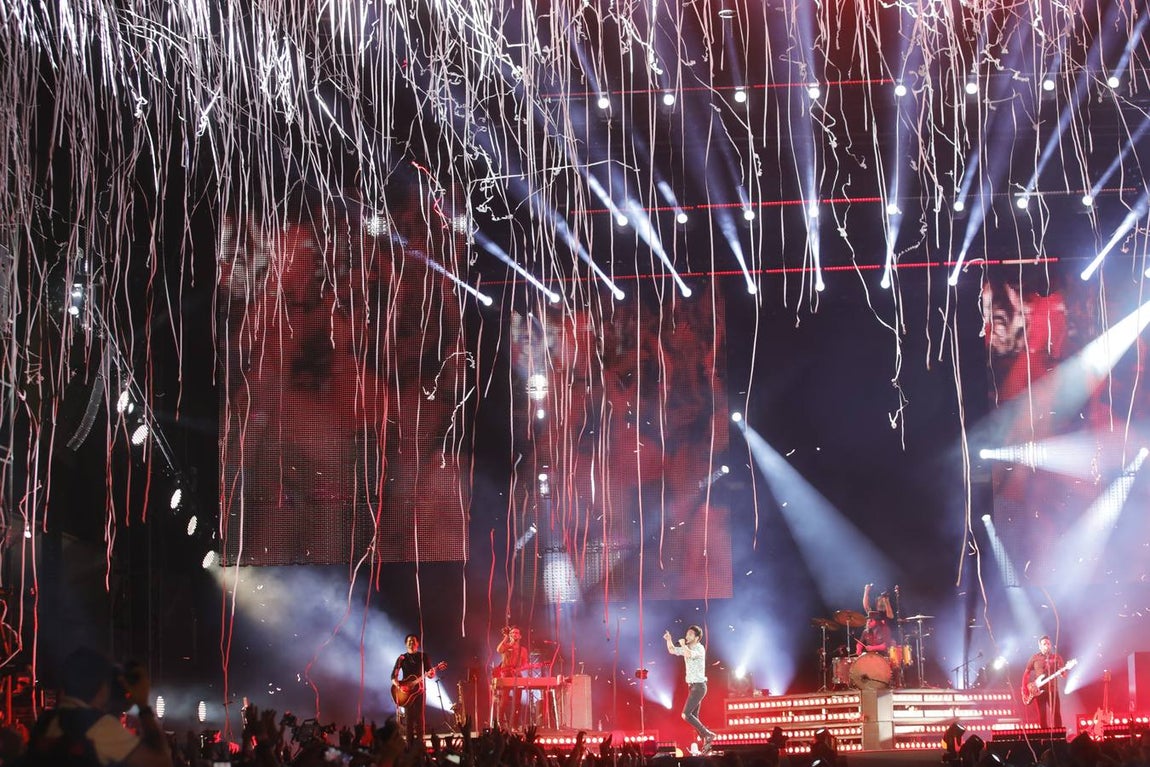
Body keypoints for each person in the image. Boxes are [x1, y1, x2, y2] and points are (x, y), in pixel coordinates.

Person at [25, 645, 173, 766]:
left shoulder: (44, 722)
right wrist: (143, 706)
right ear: (102, 687)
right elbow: (162, 762)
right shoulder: (99, 727)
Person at [663, 625, 717, 752]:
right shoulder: (687, 647)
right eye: (687, 634)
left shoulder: (699, 648)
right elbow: (672, 650)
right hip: (692, 686)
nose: (687, 636)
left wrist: (683, 645)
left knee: (686, 714)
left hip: (699, 686)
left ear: (697, 638)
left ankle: (708, 734)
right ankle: (706, 741)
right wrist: (668, 640)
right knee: (694, 716)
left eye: (691, 634)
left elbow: (688, 653)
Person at [392, 634, 438, 745]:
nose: (411, 643)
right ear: (405, 643)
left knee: (419, 719)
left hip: (419, 692)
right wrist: (399, 686)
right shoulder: (401, 658)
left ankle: (420, 746)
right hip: (406, 693)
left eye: (413, 641)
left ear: (417, 643)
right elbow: (393, 677)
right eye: (408, 641)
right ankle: (409, 746)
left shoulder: (423, 656)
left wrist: (433, 672)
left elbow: (430, 674)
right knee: (409, 721)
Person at [1022, 635, 1066, 728]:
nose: (1047, 645)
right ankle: (1045, 738)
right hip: (1039, 691)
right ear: (1040, 646)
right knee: (1042, 715)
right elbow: (1026, 673)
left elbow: (1064, 675)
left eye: (1048, 643)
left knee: (1056, 714)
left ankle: (1058, 737)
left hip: (1053, 690)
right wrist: (1025, 688)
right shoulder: (1034, 658)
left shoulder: (1056, 657)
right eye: (1044, 643)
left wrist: (1063, 672)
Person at [494, 626, 529, 729]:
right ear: (510, 635)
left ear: (520, 636)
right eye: (513, 633)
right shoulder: (506, 646)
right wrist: (505, 637)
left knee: (517, 701)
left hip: (517, 674)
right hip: (506, 673)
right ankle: (500, 722)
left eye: (517, 633)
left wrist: (519, 669)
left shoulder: (523, 650)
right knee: (504, 699)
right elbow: (499, 649)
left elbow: (525, 664)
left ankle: (515, 724)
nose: (515, 634)